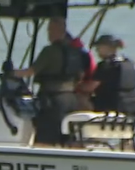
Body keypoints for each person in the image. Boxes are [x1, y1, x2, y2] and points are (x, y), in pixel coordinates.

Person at [10, 17, 85, 146]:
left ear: (56, 31)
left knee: (45, 137)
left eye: (50, 30)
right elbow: (81, 75)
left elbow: (31, 71)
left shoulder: (49, 51)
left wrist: (12, 73)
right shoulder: (75, 52)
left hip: (52, 100)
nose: (48, 33)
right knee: (67, 136)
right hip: (71, 99)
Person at [90, 34, 135, 116]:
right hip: (133, 106)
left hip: (112, 107)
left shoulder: (105, 65)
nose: (97, 50)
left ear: (107, 47)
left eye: (99, 47)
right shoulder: (127, 62)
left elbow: (91, 86)